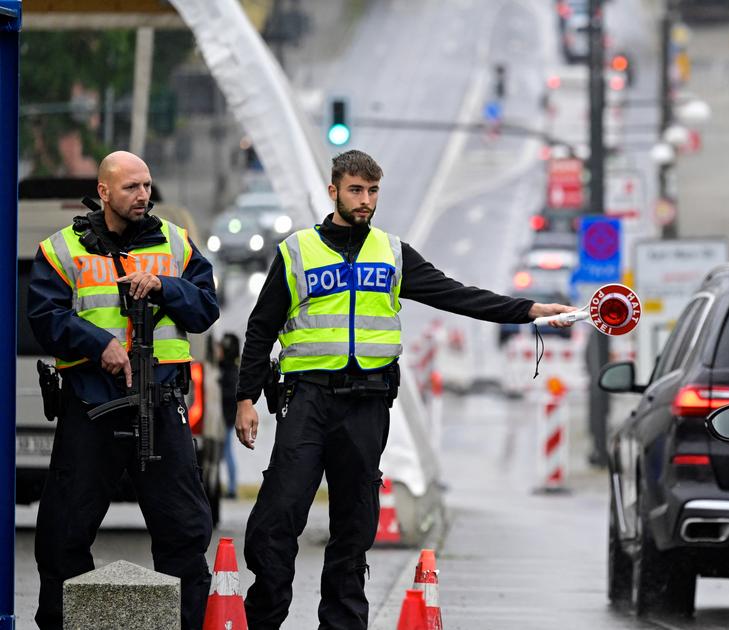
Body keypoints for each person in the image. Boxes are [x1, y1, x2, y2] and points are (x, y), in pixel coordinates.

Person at [234, 149, 576, 629]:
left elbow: (456, 294)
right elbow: (260, 328)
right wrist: (246, 398)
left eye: (373, 191)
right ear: (333, 191)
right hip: (307, 400)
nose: (366, 201)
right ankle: (263, 619)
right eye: (356, 190)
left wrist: (529, 311)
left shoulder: (392, 252)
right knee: (276, 521)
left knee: (354, 529)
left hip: (367, 404)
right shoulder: (297, 251)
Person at [26, 151, 220, 630]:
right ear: (105, 191)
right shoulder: (62, 249)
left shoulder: (174, 243)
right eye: (132, 187)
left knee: (186, 533)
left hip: (160, 405)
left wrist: (163, 287)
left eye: (147, 185)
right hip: (92, 404)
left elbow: (205, 308)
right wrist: (99, 345)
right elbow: (45, 319)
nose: (143, 195)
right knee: (62, 534)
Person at [217, 332, 242, 498]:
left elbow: (230, 394)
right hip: (226, 416)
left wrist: (217, 387)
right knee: (224, 452)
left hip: (226, 417)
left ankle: (232, 489)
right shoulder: (227, 368)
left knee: (226, 452)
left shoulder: (230, 370)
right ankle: (229, 487)